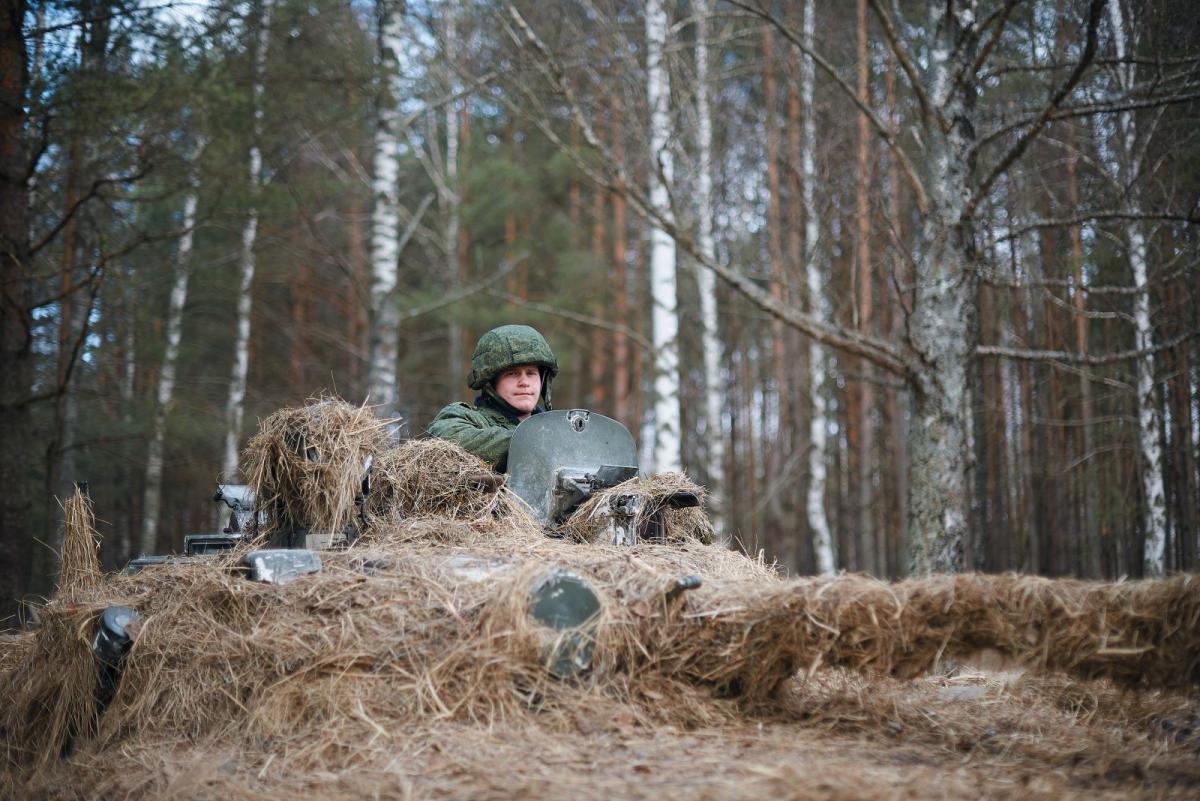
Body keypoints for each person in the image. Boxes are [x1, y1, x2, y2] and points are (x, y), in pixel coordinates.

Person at [428, 324, 558, 471]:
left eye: (531, 373)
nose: (524, 383)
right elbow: (443, 438)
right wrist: (534, 443)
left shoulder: (557, 428)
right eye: (512, 374)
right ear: (490, 382)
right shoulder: (463, 417)